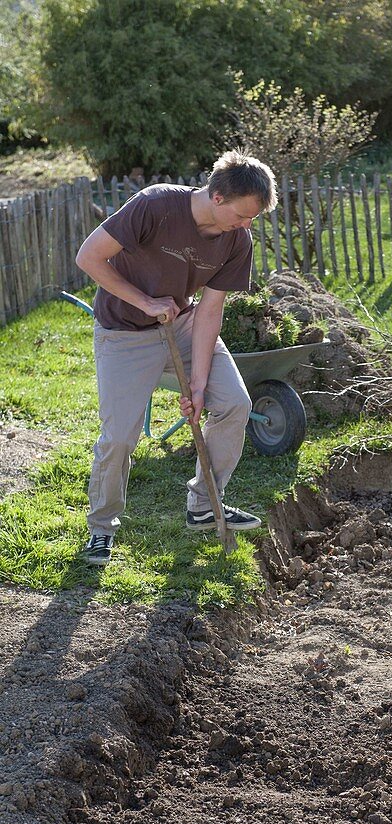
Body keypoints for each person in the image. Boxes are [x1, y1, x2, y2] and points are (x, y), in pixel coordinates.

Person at [75, 150, 278, 566]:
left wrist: (199, 384)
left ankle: (204, 503)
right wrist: (145, 301)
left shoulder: (236, 240)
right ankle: (101, 528)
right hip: (123, 333)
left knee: (234, 404)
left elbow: (209, 311)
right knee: (119, 438)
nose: (246, 225)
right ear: (218, 197)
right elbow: (88, 257)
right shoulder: (155, 206)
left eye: (253, 219)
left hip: (182, 327)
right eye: (242, 215)